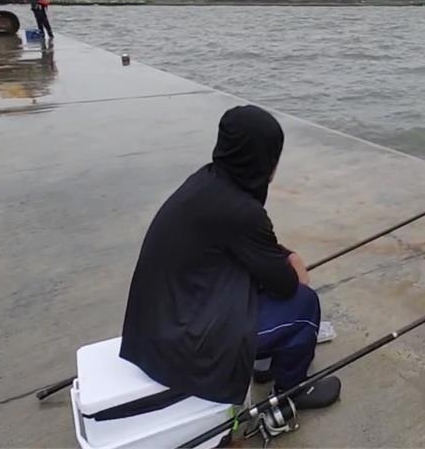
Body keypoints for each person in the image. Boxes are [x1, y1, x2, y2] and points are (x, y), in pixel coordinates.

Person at [120, 105, 341, 411]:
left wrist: (283, 256)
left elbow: (249, 248)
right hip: (182, 347)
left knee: (257, 279)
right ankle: (291, 393)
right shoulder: (242, 212)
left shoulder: (207, 181)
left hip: (155, 330)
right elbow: (287, 285)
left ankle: (263, 363)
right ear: (265, 159)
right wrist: (295, 267)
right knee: (304, 305)